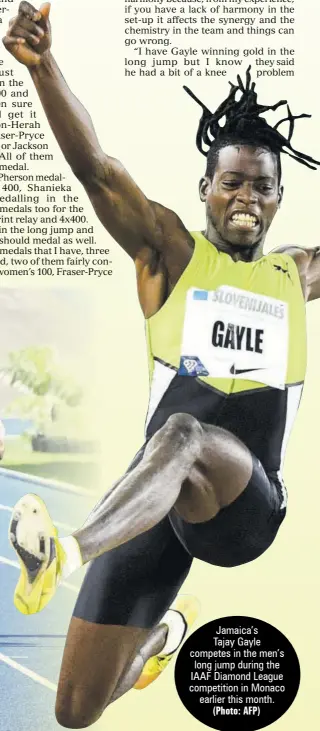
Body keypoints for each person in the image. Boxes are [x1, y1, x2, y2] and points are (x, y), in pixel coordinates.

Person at [3, 2, 320, 728]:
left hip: (247, 504)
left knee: (180, 431)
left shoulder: (293, 274)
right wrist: (44, 67)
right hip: (163, 498)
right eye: (232, 182)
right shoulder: (172, 252)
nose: (246, 197)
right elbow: (97, 170)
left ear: (279, 198)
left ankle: (64, 550)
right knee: (73, 710)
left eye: (262, 185)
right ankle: (163, 639)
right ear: (206, 189)